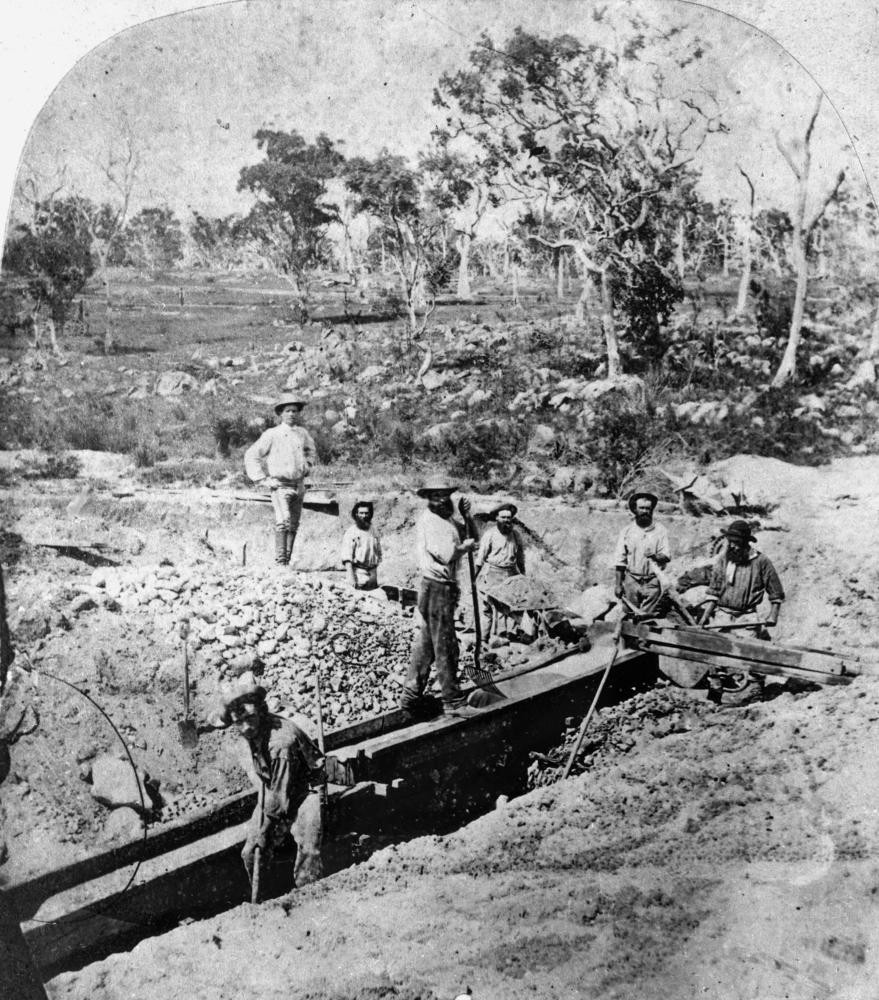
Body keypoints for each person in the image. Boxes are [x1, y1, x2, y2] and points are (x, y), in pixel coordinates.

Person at [217, 672, 325, 893]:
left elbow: (279, 804)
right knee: (250, 852)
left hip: (306, 791)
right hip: (276, 787)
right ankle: (267, 902)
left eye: (250, 718)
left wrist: (264, 830)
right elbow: (272, 789)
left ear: (261, 712)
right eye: (239, 722)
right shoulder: (254, 731)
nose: (246, 727)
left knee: (308, 848)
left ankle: (309, 896)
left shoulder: (280, 744)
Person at [401, 476, 483, 720]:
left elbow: (472, 538)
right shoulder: (431, 522)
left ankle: (410, 696)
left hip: (443, 587)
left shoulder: (447, 518)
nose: (441, 499)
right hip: (436, 587)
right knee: (445, 644)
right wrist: (464, 548)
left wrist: (467, 518)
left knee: (427, 643)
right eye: (436, 495)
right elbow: (448, 555)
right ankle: (453, 700)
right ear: (428, 498)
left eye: (444, 494)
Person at [244, 395, 316, 566]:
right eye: (288, 411)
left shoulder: (302, 433)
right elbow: (252, 455)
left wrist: (308, 466)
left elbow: (311, 451)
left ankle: (287, 562)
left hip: (298, 485)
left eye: (295, 411)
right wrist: (263, 479)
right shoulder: (272, 434)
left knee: (293, 525)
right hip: (280, 486)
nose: (292, 414)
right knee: (283, 522)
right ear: (281, 414)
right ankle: (280, 563)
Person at [700, 519, 785, 638]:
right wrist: (705, 617)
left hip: (747, 620)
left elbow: (776, 592)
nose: (732, 546)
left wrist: (773, 615)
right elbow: (714, 591)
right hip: (721, 618)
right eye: (730, 542)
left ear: (746, 542)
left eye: (736, 542)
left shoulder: (761, 561)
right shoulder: (723, 560)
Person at [613, 490, 671, 613]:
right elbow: (619, 561)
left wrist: (655, 557)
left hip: (652, 581)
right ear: (635, 509)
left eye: (648, 508)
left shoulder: (660, 530)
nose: (645, 511)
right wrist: (618, 585)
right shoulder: (626, 531)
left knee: (648, 618)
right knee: (629, 615)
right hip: (631, 580)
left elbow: (666, 556)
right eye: (642, 508)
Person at [474, 501, 525, 641]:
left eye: (509, 518)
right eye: (503, 517)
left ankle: (511, 636)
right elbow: (480, 559)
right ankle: (486, 639)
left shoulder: (516, 536)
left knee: (514, 605)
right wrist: (474, 577)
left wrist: (523, 577)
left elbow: (520, 559)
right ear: (496, 518)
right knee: (491, 607)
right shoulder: (490, 535)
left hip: (511, 573)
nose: (507, 521)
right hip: (493, 573)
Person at [340, 500, 382, 591]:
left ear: (370, 514)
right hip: (358, 575)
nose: (364, 516)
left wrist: (374, 575)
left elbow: (378, 553)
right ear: (356, 514)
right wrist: (351, 579)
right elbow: (347, 558)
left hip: (372, 575)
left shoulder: (374, 531)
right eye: (361, 513)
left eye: (366, 513)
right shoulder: (351, 532)